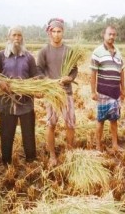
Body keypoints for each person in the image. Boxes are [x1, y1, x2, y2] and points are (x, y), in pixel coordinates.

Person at [0, 26, 39, 165]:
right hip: (6, 103)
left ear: (22, 38)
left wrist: (36, 82)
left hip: (26, 102)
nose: (16, 38)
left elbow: (36, 75)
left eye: (19, 35)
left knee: (28, 133)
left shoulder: (28, 57)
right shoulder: (0, 56)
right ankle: (6, 161)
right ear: (8, 37)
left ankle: (31, 160)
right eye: (14, 35)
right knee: (6, 133)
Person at [37, 18, 77, 166]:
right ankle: (52, 155)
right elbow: (38, 70)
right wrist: (48, 81)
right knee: (51, 124)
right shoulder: (44, 51)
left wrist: (70, 77)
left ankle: (70, 152)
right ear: (49, 32)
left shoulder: (69, 51)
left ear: (63, 32)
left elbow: (74, 69)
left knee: (70, 124)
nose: (56, 34)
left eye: (59, 31)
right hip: (52, 94)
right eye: (53, 31)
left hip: (66, 92)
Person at [90, 26, 125, 152]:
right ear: (103, 35)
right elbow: (93, 73)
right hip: (103, 93)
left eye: (114, 34)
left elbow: (121, 72)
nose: (111, 37)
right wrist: (93, 92)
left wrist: (123, 90)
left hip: (115, 93)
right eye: (109, 34)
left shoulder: (118, 52)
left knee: (114, 120)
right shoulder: (97, 52)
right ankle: (98, 146)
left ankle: (115, 145)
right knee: (100, 120)